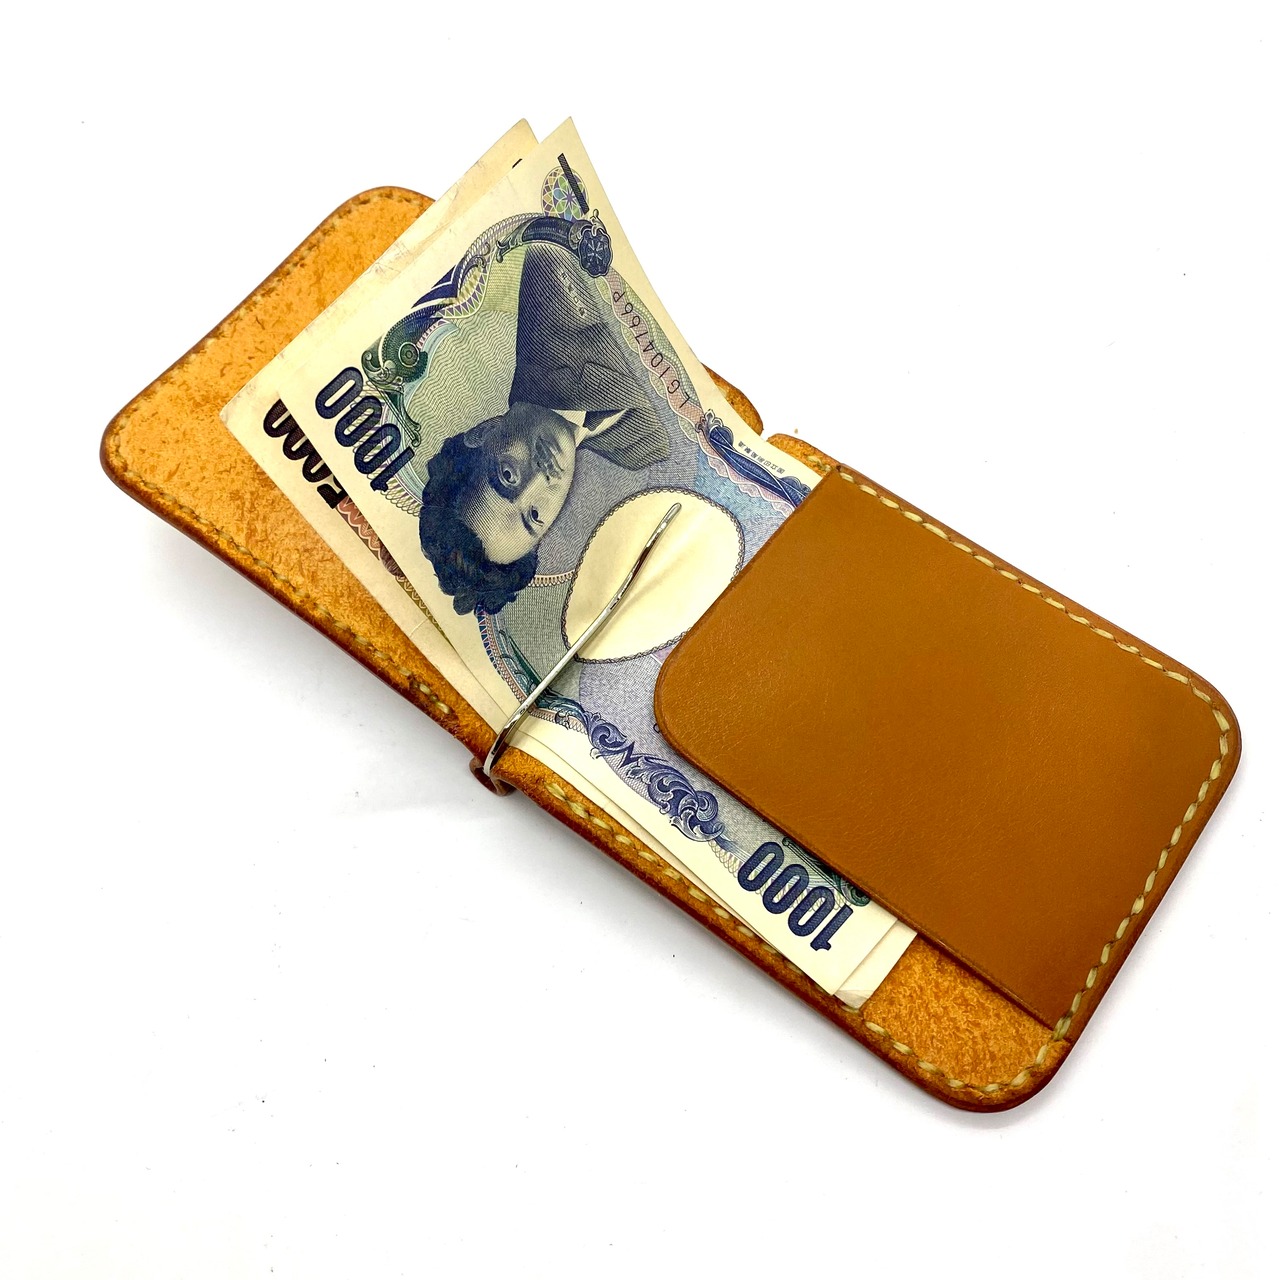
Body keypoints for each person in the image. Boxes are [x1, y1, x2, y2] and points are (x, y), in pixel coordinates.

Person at [419, 239, 671, 615]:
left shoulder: (550, 282)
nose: (541, 479)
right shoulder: (640, 449)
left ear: (485, 432)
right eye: (535, 516)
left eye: (507, 475)